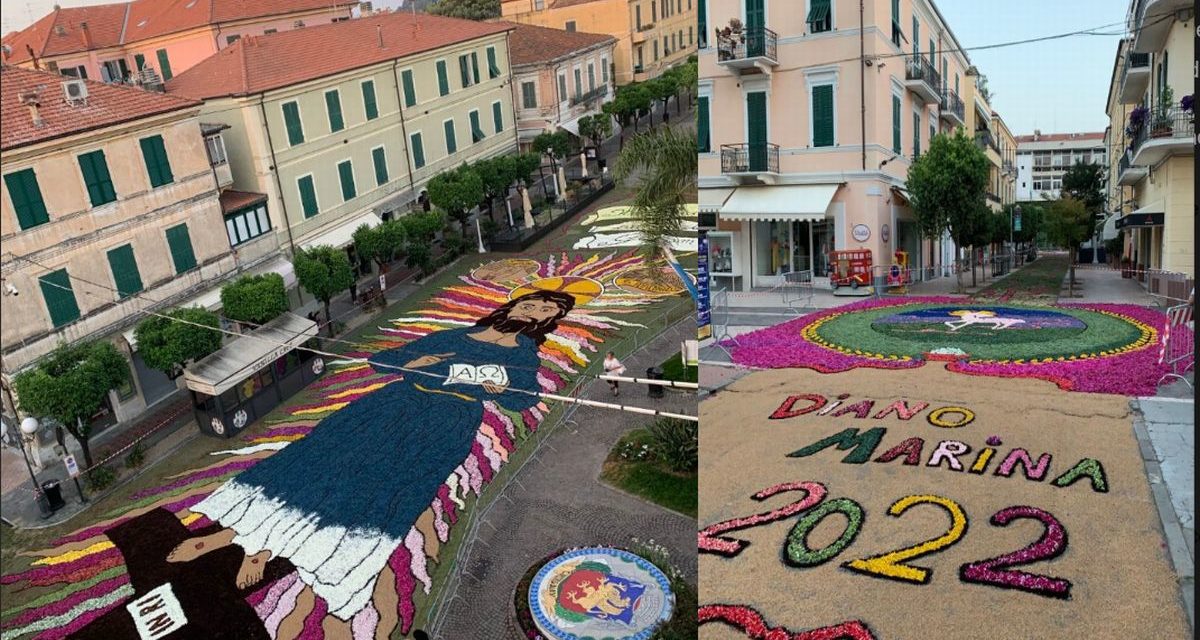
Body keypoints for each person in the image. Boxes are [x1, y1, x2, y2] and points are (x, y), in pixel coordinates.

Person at [165, 290, 576, 636]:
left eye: (546, 312)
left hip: (447, 422)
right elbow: (387, 361)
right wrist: (418, 364)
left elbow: (524, 397)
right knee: (322, 462)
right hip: (392, 405)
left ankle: (261, 549)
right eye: (533, 303)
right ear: (516, 304)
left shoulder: (523, 352)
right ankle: (239, 542)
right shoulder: (461, 332)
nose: (535, 312)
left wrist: (497, 389)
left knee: (379, 491)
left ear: (547, 323)